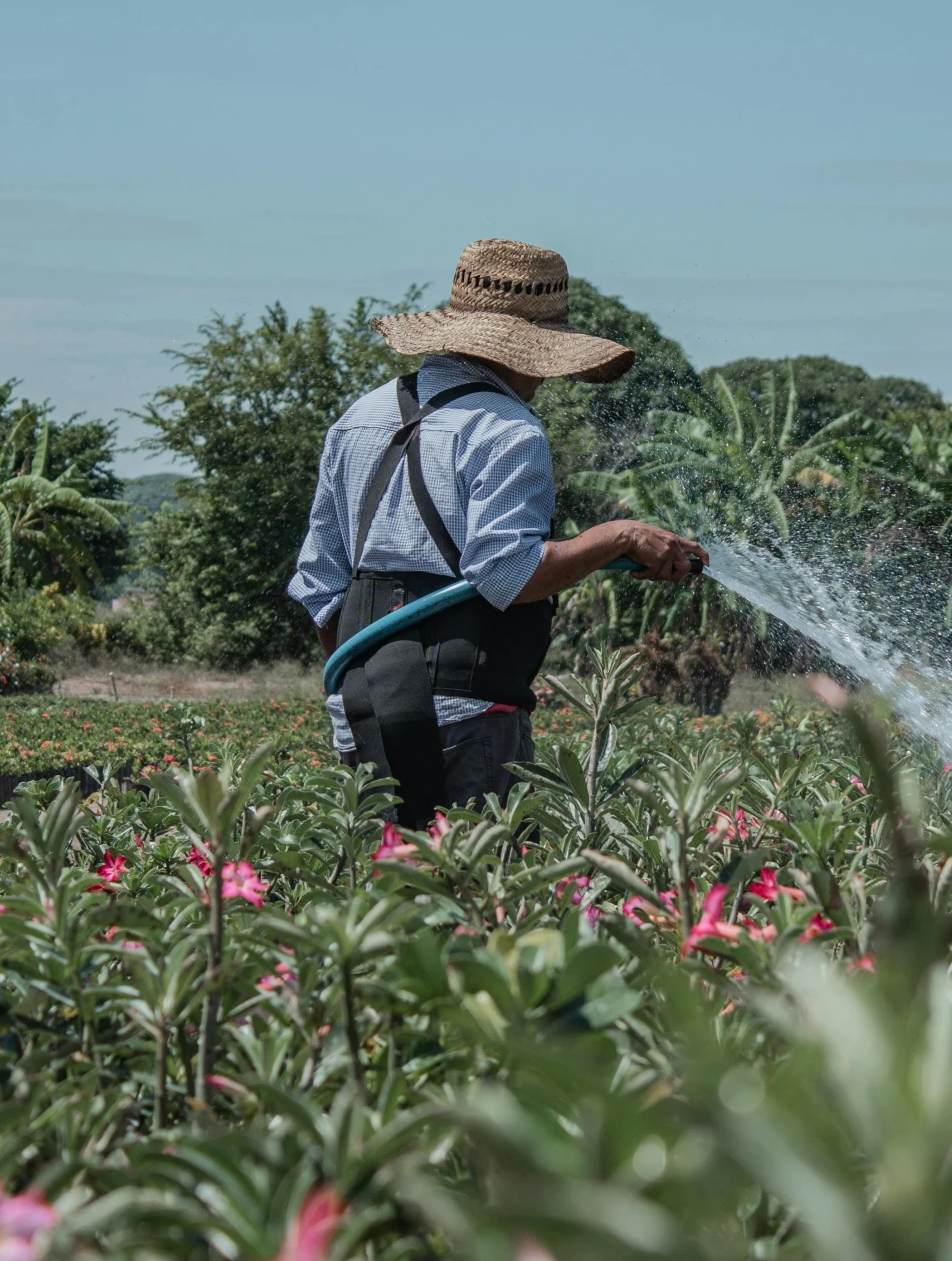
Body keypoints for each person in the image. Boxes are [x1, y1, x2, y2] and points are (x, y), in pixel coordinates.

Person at [288, 238, 707, 823]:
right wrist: (618, 537)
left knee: (385, 895)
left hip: (360, 715)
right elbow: (507, 572)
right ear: (531, 349)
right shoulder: (508, 429)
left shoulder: (359, 419)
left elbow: (319, 583)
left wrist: (358, 686)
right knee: (480, 899)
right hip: (467, 714)